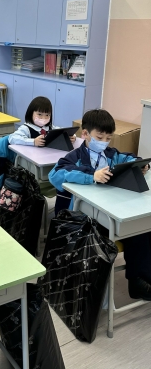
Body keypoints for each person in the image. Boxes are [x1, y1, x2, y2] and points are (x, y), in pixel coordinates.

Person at [49, 108, 151, 301]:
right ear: (85, 134)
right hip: (87, 219)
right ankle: (138, 279)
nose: (104, 142)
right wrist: (91, 176)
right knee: (136, 231)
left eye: (108, 138)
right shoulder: (75, 156)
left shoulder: (111, 154)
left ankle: (139, 280)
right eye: (100, 137)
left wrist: (140, 165)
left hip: (110, 211)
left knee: (142, 228)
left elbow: (128, 158)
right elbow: (55, 175)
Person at [8, 96, 76, 147]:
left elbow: (62, 130)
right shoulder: (26, 128)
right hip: (29, 158)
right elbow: (12, 138)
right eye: (39, 114)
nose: (43, 118)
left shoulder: (49, 127)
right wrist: (33, 141)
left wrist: (72, 136)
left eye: (47, 115)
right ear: (31, 113)